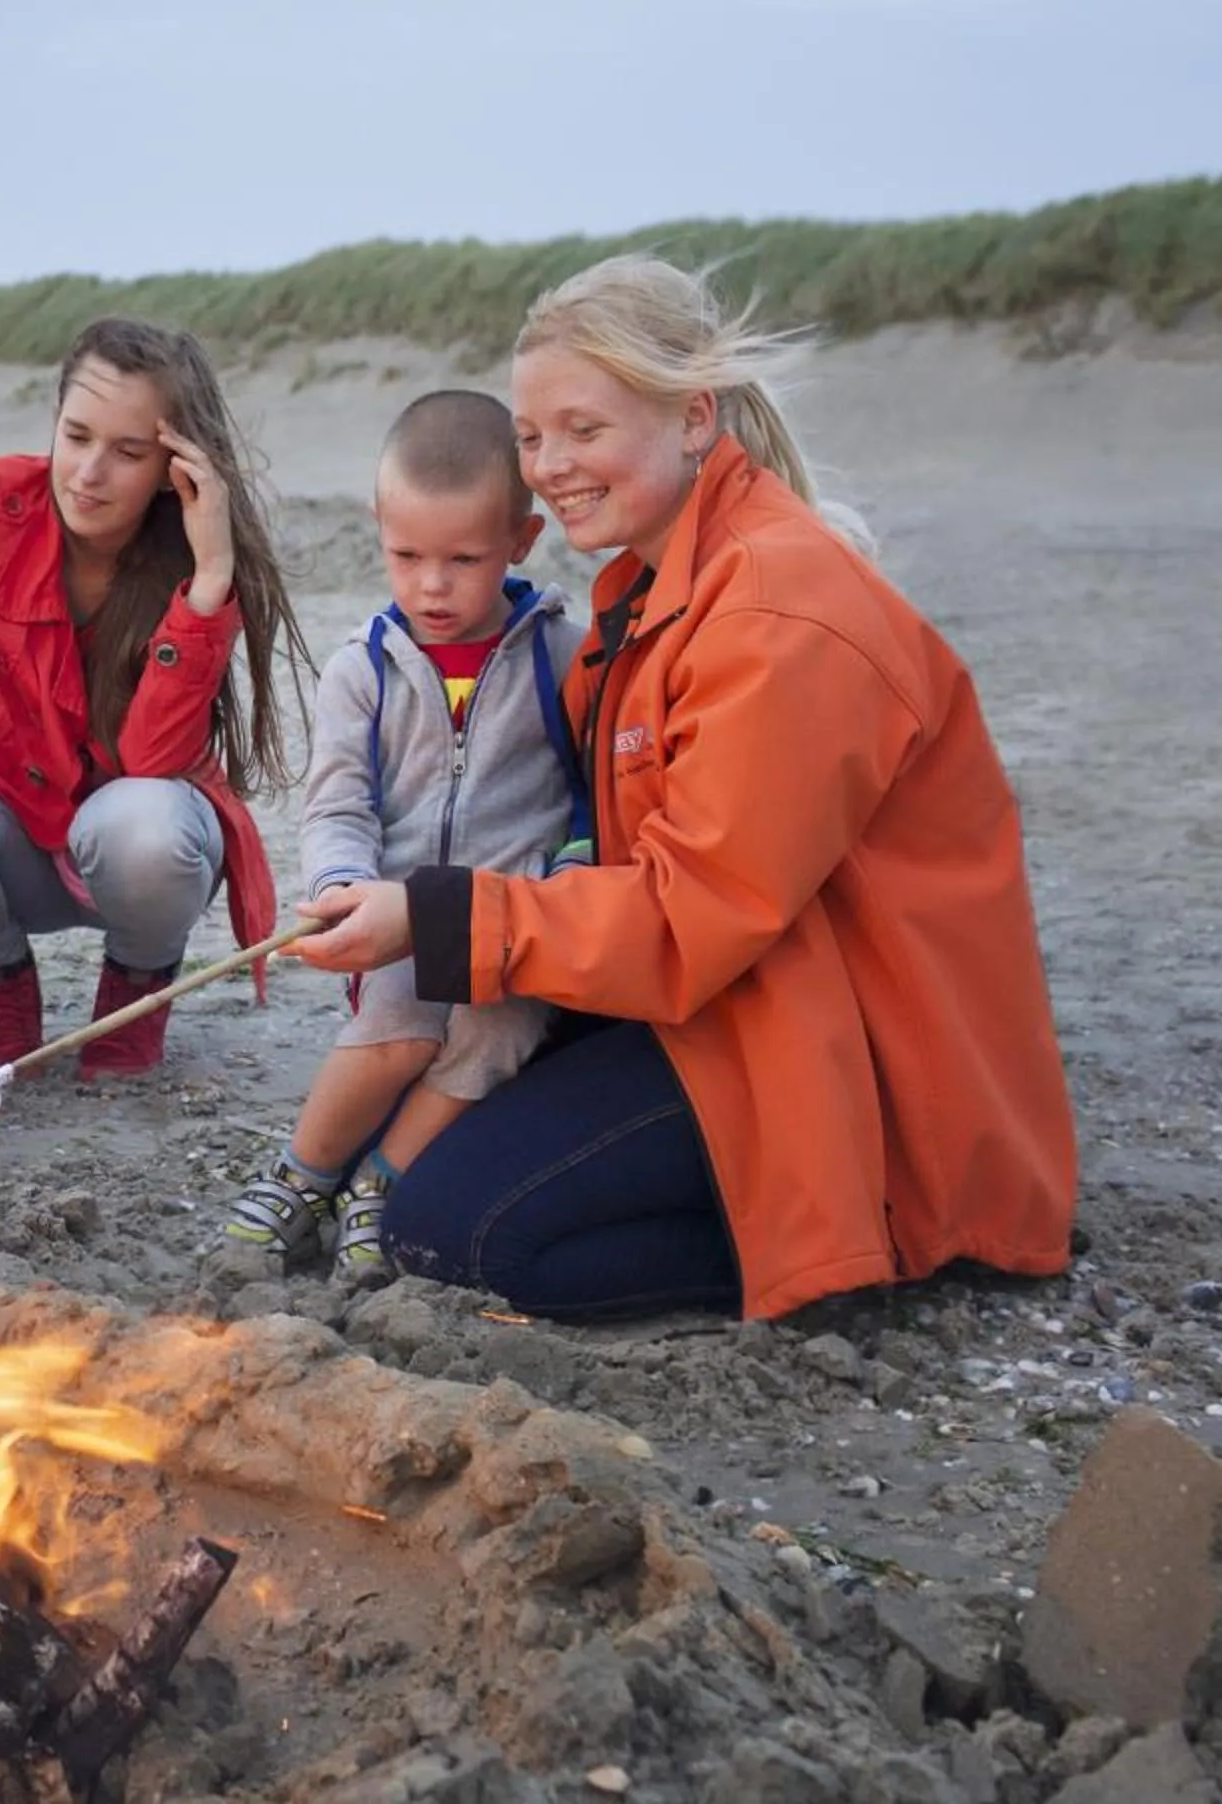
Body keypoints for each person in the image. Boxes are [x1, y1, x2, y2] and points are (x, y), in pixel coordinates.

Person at [294, 254, 1078, 1322]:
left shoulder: (774, 611)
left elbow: (692, 913)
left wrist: (434, 913)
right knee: (438, 1131)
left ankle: (862, 1238)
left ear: (693, 416)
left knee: (451, 1231)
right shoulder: (656, 584)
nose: (550, 464)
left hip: (850, 1065)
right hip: (738, 1003)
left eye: (584, 428)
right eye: (531, 436)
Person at [0, 318, 312, 1079]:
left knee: (141, 822)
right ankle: (2, 990)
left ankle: (136, 989)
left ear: (174, 466)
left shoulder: (191, 552)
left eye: (127, 452)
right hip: (13, 827)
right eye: (77, 436)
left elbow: (154, 759)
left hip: (137, 845)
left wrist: (212, 579)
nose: (89, 472)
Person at [223, 390, 588, 1269]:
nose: (432, 584)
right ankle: (302, 1175)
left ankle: (378, 1181)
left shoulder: (561, 654)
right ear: (379, 527)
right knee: (400, 1030)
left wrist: (569, 877)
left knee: (495, 1036)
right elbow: (338, 800)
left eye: (465, 558)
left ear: (520, 541)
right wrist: (338, 886)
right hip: (396, 916)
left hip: (513, 920)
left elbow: (592, 795)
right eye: (407, 554)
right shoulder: (364, 672)